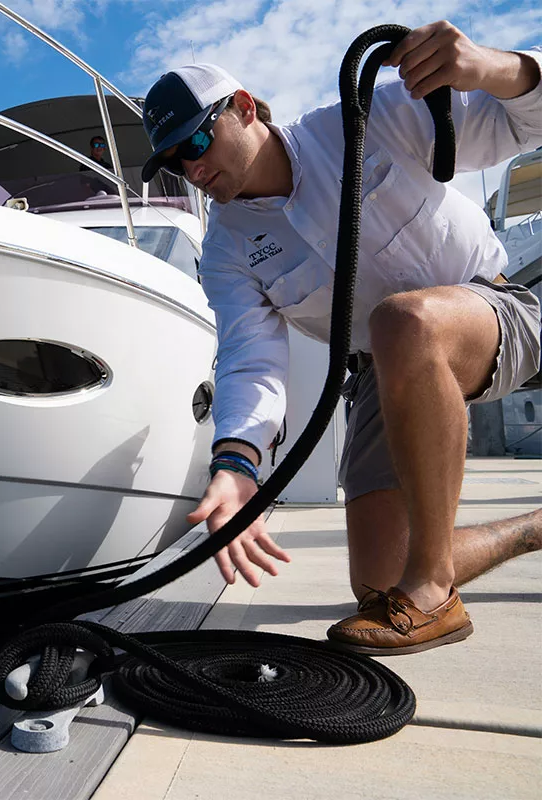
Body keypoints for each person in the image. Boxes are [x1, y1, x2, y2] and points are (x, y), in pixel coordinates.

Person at [138, 21, 542, 655]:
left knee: (401, 322)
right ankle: (532, 530)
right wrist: (236, 462)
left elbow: (526, 122)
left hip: (494, 312)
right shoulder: (225, 250)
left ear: (244, 107)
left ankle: (435, 589)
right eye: (174, 161)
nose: (193, 168)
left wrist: (490, 66)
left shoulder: (368, 119)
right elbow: (250, 357)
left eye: (197, 140)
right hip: (385, 371)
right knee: (379, 584)